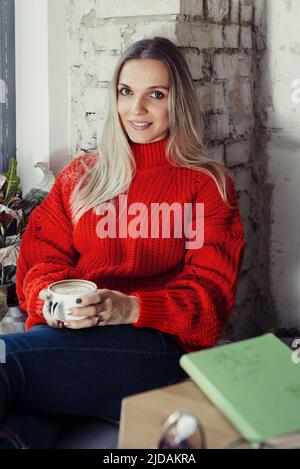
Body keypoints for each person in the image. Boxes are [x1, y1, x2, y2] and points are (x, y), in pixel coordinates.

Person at [0, 36, 244, 448]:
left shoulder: (206, 185)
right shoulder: (83, 175)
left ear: (177, 101)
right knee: (16, 433)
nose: (137, 109)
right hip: (68, 338)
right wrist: (60, 307)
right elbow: (39, 264)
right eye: (126, 92)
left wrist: (127, 306)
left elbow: (210, 301)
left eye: (156, 95)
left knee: (6, 363)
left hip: (153, 348)